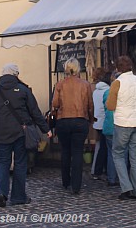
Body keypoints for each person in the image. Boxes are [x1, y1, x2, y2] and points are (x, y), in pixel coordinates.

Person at [0, 64, 51, 207]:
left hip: (1, 133)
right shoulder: (23, 90)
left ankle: (0, 192)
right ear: (16, 75)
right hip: (20, 133)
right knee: (20, 163)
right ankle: (18, 196)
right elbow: (35, 112)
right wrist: (46, 129)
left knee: (3, 162)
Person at [51, 58, 94, 195]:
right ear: (78, 68)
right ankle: (76, 185)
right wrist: (91, 119)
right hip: (80, 120)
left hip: (63, 120)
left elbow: (55, 104)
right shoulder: (85, 84)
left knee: (65, 151)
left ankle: (65, 181)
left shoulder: (60, 84)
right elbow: (90, 105)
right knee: (77, 152)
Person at [106, 56, 136, 200]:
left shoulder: (117, 82)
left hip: (123, 122)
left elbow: (110, 105)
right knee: (135, 155)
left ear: (117, 68)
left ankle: (126, 187)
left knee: (118, 154)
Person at [91, 67, 110, 180]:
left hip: (97, 122)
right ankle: (99, 170)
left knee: (101, 146)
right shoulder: (108, 90)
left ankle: (98, 169)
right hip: (105, 121)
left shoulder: (95, 91)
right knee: (105, 147)